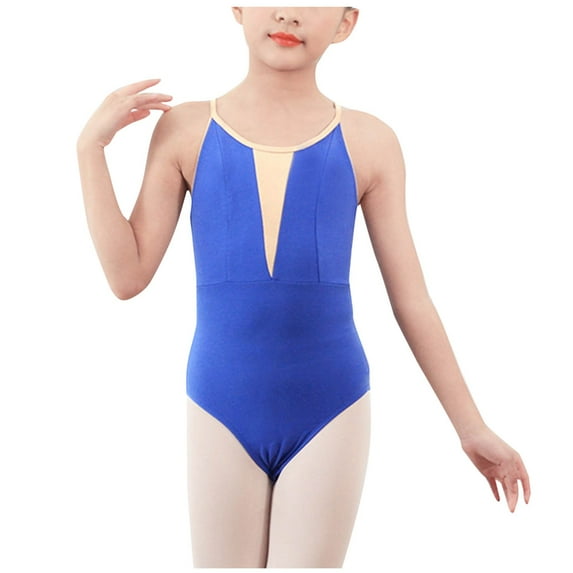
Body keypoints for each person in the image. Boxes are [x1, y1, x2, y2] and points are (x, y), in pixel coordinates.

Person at [76, 6, 531, 568]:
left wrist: (471, 426)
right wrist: (90, 150)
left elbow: (411, 299)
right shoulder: (185, 130)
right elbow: (127, 277)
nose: (288, 12)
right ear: (237, 8)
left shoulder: (370, 140)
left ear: (345, 22)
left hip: (330, 408)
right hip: (220, 404)